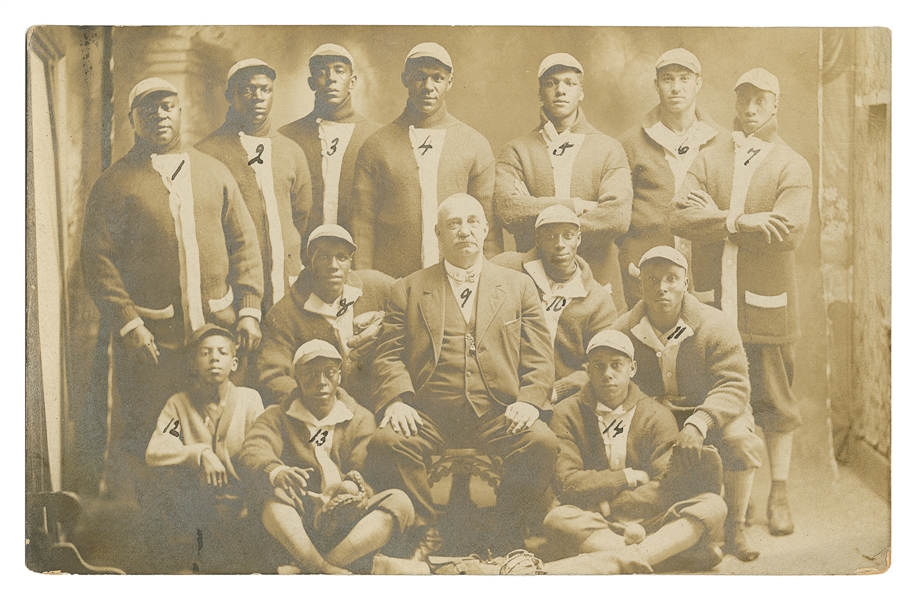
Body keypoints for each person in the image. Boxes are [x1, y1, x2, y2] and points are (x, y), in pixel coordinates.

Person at [81, 77, 264, 463]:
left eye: (167, 107)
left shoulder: (214, 172)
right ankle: (158, 520)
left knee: (219, 426)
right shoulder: (114, 184)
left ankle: (220, 516)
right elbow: (97, 262)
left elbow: (244, 244)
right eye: (147, 110)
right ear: (132, 120)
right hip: (153, 341)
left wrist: (248, 310)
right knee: (152, 430)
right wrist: (130, 323)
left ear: (181, 112)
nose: (159, 116)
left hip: (216, 330)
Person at [365, 193, 557, 558]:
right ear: (439, 233)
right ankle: (425, 531)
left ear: (485, 229)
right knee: (385, 442)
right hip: (429, 413)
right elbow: (388, 355)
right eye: (454, 223)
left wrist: (530, 401)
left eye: (472, 222)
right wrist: (397, 400)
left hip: (497, 412)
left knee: (541, 442)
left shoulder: (518, 286)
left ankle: (508, 534)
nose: (464, 230)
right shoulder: (407, 288)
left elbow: (540, 357)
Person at [671, 68, 813, 542]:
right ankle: (733, 502)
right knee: (720, 398)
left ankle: (778, 491)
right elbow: (682, 216)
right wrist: (743, 220)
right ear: (735, 102)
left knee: (774, 399)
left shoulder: (791, 164)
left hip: (765, 304)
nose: (751, 108)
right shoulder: (711, 156)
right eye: (744, 99)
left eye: (761, 100)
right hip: (714, 303)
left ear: (775, 104)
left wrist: (719, 220)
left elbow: (787, 230)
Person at [613, 246, 764, 561]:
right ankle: (658, 521)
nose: (662, 287)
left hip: (714, 409)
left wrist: (700, 422)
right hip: (657, 415)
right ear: (640, 285)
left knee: (739, 440)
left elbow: (734, 384)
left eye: (671, 278)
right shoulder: (623, 330)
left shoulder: (715, 324)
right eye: (652, 279)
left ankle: (736, 525)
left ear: (685, 283)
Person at [541, 329, 726, 574]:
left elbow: (667, 484)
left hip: (651, 518)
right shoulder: (566, 414)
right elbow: (568, 483)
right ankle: (660, 557)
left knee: (713, 505)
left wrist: (611, 504)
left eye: (616, 365)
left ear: (632, 369)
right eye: (598, 366)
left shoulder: (656, 414)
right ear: (587, 371)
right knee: (557, 519)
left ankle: (629, 558)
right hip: (595, 521)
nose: (607, 374)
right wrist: (627, 477)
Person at [239, 340, 415, 574]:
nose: (321, 382)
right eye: (310, 374)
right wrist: (278, 472)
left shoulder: (359, 417)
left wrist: (351, 488)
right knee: (273, 498)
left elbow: (366, 467)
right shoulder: (277, 416)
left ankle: (323, 565)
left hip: (348, 520)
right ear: (297, 378)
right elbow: (253, 448)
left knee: (400, 502)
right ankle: (321, 568)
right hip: (300, 517)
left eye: (329, 373)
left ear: (339, 377)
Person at [351, 42, 501, 279]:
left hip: (460, 281)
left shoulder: (474, 144)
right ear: (405, 79)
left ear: (450, 82)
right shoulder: (376, 145)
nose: (428, 87)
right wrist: (365, 285)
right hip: (393, 280)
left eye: (437, 78)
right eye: (419, 77)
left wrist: (492, 283)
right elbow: (362, 226)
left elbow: (488, 230)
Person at [495, 52, 631, 289]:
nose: (560, 90)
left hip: (597, 279)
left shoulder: (609, 148)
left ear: (581, 92)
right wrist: (578, 206)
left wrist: (537, 211)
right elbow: (509, 211)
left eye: (569, 83)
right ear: (540, 92)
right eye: (551, 83)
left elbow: (616, 218)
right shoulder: (516, 151)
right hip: (533, 281)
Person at [196, 59, 312, 314]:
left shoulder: (291, 151)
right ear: (230, 94)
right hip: (234, 285)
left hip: (286, 280)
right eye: (248, 90)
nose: (257, 97)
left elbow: (301, 217)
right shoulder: (206, 154)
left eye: (265, 89)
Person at [145, 324, 265, 572]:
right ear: (193, 363)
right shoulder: (179, 404)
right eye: (205, 353)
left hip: (243, 504)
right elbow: (156, 450)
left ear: (234, 363)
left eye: (222, 352)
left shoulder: (249, 399)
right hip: (199, 504)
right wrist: (200, 453)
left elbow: (261, 451)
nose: (214, 359)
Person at [618, 48, 729, 308]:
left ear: (698, 83)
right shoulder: (629, 143)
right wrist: (633, 256)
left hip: (707, 273)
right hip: (648, 273)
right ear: (656, 85)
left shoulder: (723, 143)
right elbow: (617, 216)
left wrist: (716, 216)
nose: (676, 87)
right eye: (668, 79)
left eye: (684, 78)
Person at [256, 224, 394, 408]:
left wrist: (383, 318)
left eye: (341, 257)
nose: (333, 266)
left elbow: (416, 304)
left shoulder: (376, 287)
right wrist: (319, 402)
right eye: (323, 257)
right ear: (308, 262)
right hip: (316, 411)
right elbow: (271, 376)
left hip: (379, 402)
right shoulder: (285, 313)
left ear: (350, 262)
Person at [492, 204, 618, 403]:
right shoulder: (507, 269)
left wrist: (557, 390)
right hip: (501, 388)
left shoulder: (598, 300)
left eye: (567, 235)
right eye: (550, 237)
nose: (560, 244)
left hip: (563, 398)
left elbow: (603, 364)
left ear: (579, 239)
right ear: (538, 240)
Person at [279, 44, 381, 237]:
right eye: (322, 72)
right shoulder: (288, 137)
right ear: (311, 83)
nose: (331, 78)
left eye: (339, 71)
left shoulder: (376, 135)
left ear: (352, 81)